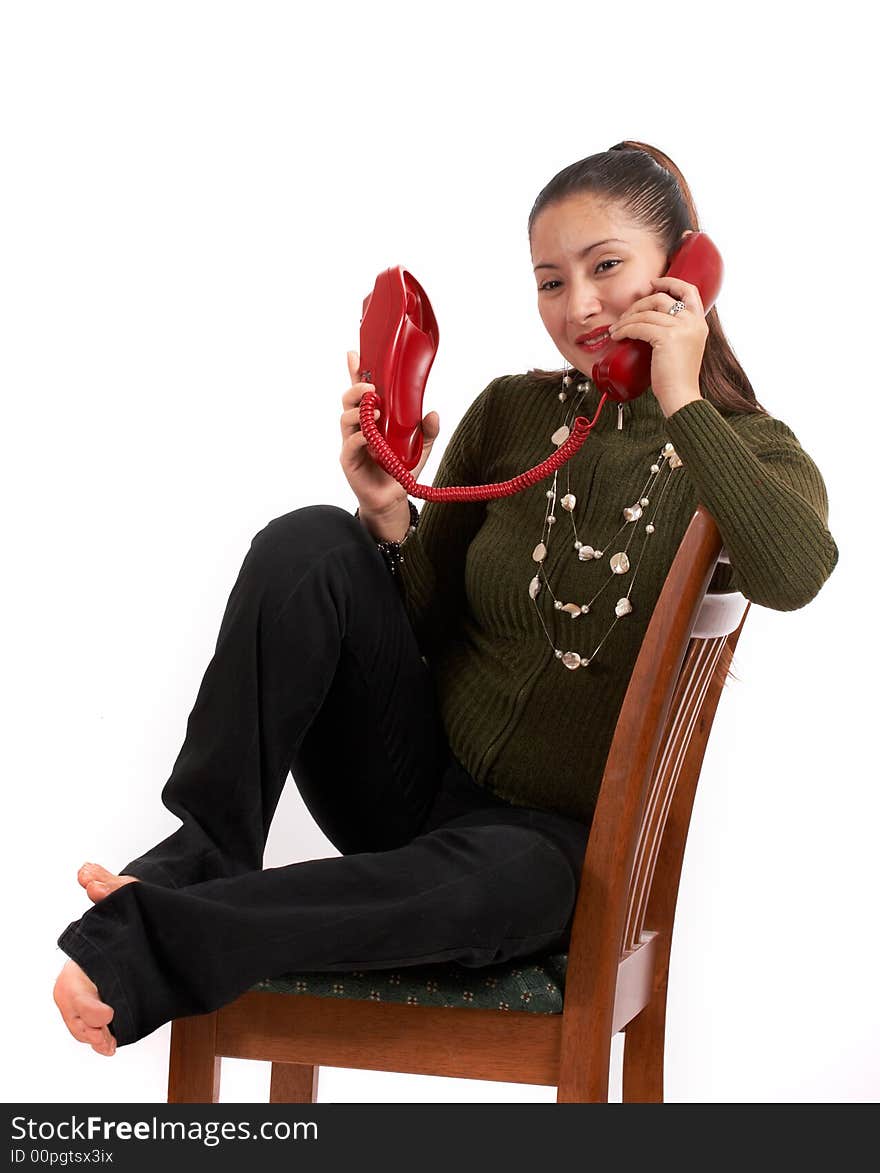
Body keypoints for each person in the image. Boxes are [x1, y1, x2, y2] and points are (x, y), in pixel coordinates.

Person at [53, 140, 839, 1057]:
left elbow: (796, 574)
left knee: (483, 886)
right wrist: (387, 516)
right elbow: (417, 627)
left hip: (541, 854)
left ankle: (158, 931)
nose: (578, 306)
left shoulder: (751, 451)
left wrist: (681, 399)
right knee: (312, 538)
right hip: (408, 780)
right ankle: (200, 852)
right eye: (551, 281)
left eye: (607, 267)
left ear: (685, 272)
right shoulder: (509, 413)